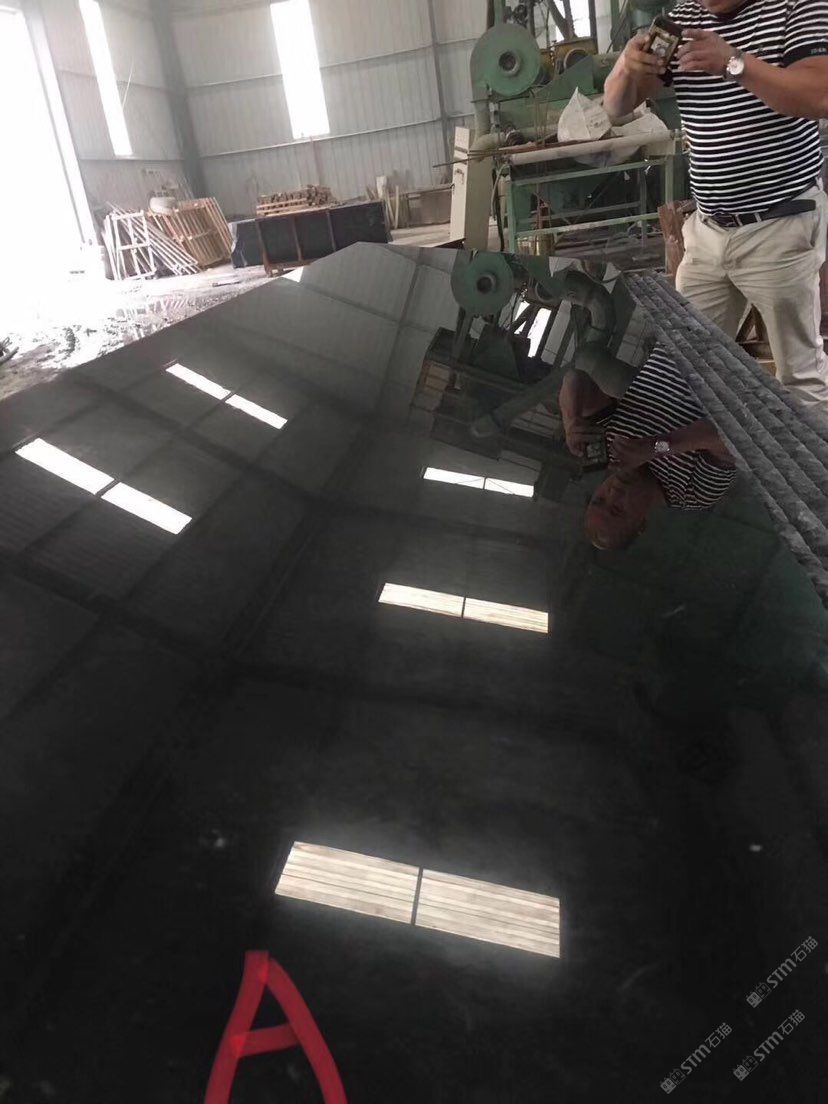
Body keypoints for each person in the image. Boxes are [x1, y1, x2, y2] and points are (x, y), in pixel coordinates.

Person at [604, 0, 828, 405]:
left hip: (778, 226)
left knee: (800, 378)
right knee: (688, 367)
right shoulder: (685, 19)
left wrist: (735, 63)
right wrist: (627, 67)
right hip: (709, 232)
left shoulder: (796, 6)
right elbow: (616, 107)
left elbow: (819, 95)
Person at [560, 345, 736, 550]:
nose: (613, 493)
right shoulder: (693, 493)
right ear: (641, 523)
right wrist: (656, 447)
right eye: (617, 509)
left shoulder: (609, 448)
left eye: (599, 500)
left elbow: (575, 379)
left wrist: (571, 421)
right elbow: (730, 435)